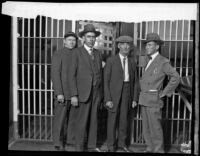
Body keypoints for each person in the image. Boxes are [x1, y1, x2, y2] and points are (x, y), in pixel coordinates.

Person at [138, 33, 180, 153]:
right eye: (146, 45)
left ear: (157, 47)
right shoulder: (148, 60)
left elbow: (176, 77)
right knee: (146, 127)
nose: (147, 47)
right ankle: (150, 148)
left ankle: (158, 150)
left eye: (150, 45)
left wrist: (165, 92)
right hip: (144, 98)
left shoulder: (162, 61)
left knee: (155, 128)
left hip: (154, 99)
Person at [68, 24, 103, 152]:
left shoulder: (98, 53)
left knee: (94, 120)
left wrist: (101, 94)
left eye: (93, 37)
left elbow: (100, 74)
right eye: (89, 37)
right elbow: (71, 75)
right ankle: (79, 147)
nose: (91, 39)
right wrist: (73, 95)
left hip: (96, 93)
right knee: (81, 121)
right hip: (82, 93)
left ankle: (92, 146)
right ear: (83, 38)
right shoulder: (77, 52)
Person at [104, 36, 139, 152]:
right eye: (123, 44)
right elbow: (106, 81)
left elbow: (135, 81)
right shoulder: (111, 60)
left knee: (124, 120)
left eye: (128, 44)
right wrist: (108, 99)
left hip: (127, 91)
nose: (126, 46)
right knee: (112, 120)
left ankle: (122, 144)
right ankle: (110, 145)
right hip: (113, 93)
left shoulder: (133, 61)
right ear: (118, 46)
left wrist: (134, 98)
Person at [51, 32, 78, 151]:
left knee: (73, 118)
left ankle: (70, 140)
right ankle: (58, 142)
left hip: (74, 93)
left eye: (74, 40)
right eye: (69, 40)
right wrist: (59, 92)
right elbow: (55, 74)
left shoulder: (78, 53)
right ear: (64, 41)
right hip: (62, 92)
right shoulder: (59, 53)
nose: (71, 42)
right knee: (60, 119)